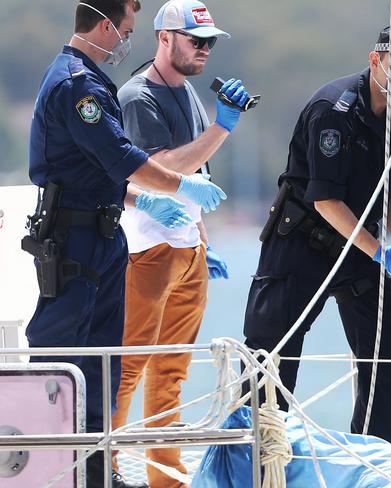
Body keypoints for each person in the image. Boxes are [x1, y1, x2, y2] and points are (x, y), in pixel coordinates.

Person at [25, 1, 228, 486]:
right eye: (126, 31)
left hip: (101, 230)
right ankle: (42, 472)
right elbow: (118, 156)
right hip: (74, 240)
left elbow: (99, 172)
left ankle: (97, 472)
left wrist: (142, 199)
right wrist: (180, 187)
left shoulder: (90, 78)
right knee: (62, 359)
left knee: (103, 367)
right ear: (104, 26)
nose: (125, 42)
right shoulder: (79, 84)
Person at [243, 24, 391, 448]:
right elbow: (326, 201)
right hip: (302, 240)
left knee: (389, 355)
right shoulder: (334, 109)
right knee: (271, 356)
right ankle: (260, 461)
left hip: (363, 242)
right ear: (374, 59)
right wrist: (383, 253)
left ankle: (375, 461)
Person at [110, 1, 249, 486]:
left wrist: (202, 243)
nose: (205, 50)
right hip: (146, 250)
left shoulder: (187, 90)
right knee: (128, 367)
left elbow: (197, 180)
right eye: (197, 40)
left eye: (210, 42)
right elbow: (165, 170)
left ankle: (163, 476)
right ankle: (99, 467)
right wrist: (221, 127)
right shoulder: (136, 95)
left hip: (186, 248)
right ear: (164, 37)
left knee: (171, 372)